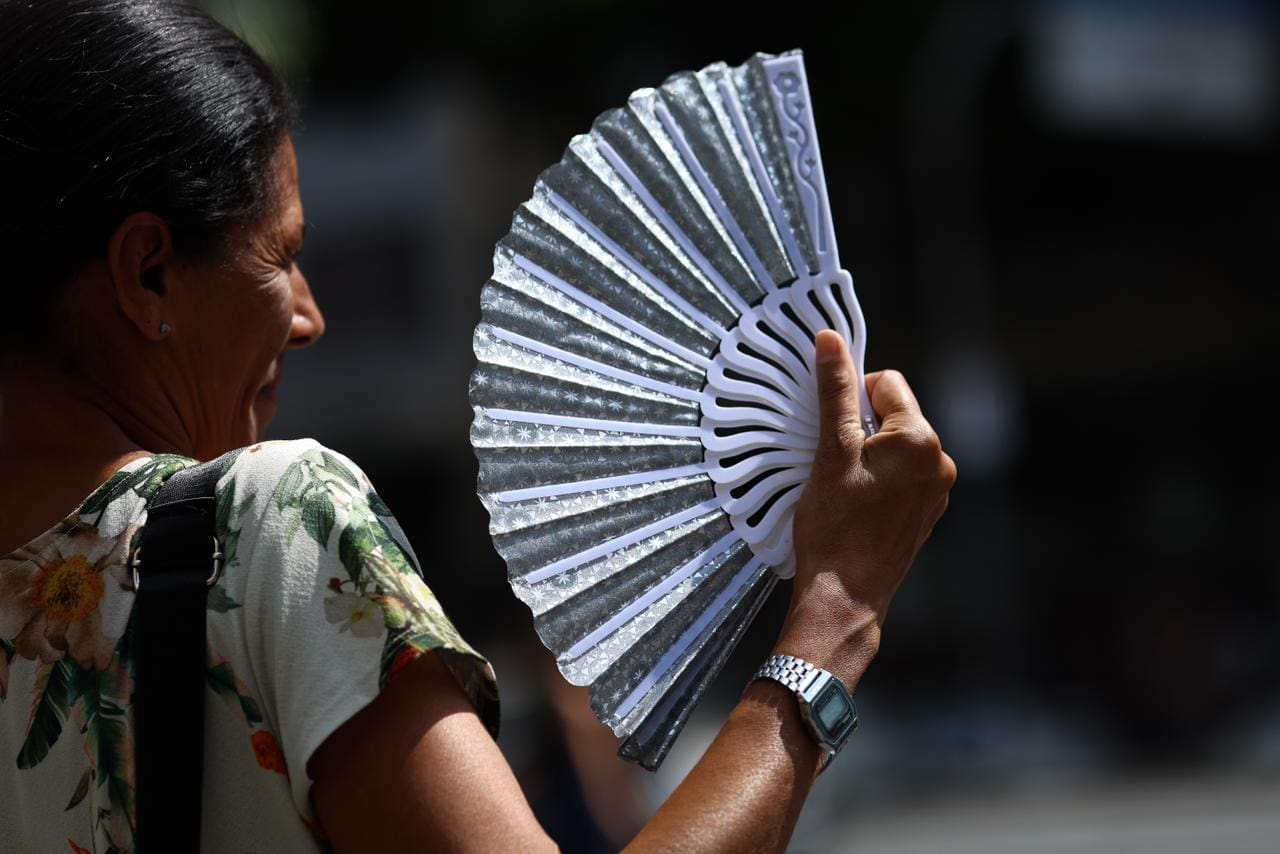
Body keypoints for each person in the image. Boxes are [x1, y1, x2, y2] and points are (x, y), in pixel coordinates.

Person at [0, 1, 956, 851]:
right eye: (278, 255)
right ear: (148, 273)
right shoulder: (268, 526)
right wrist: (836, 619)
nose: (307, 315)